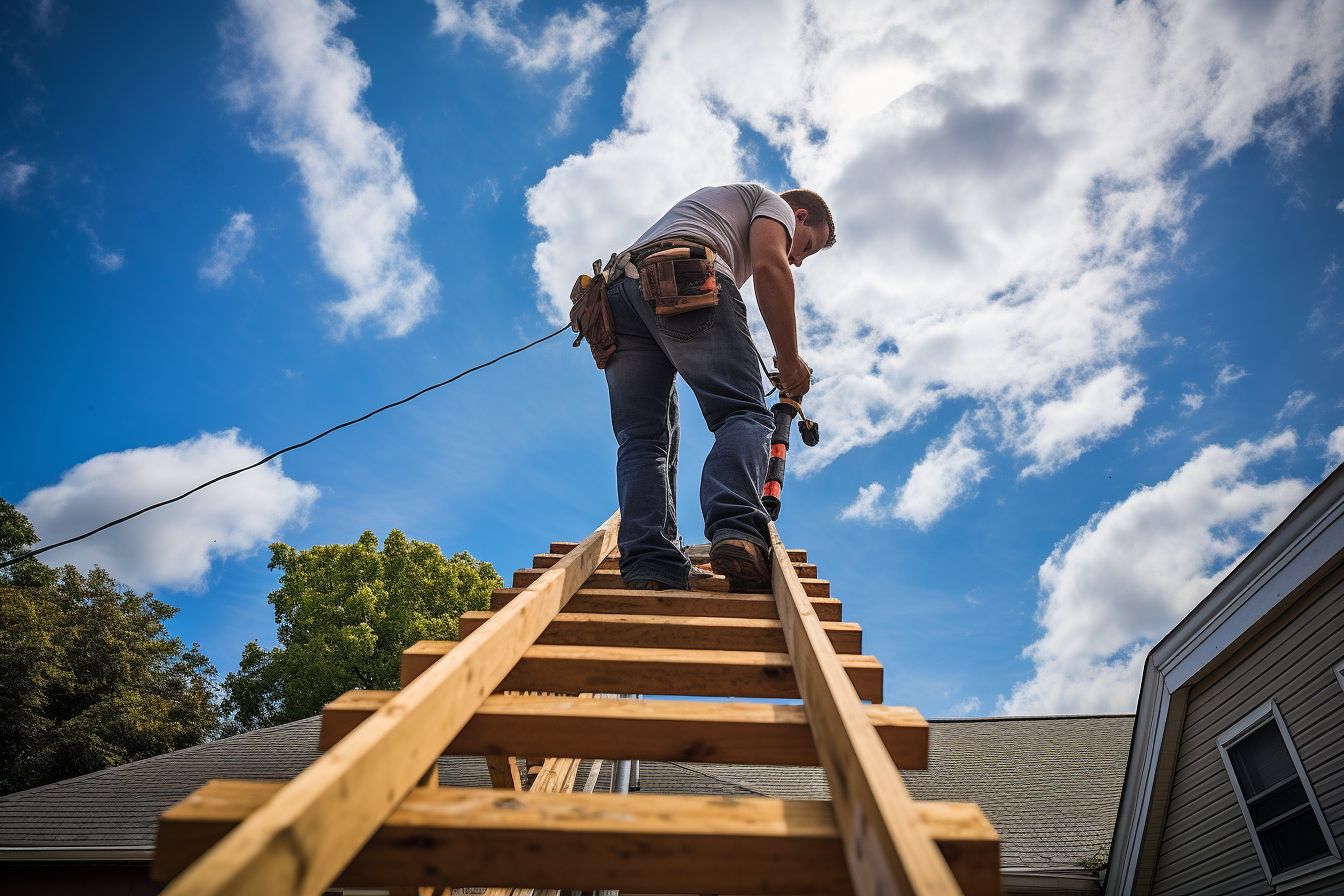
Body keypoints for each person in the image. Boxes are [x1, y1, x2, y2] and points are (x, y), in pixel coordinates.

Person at [602, 183, 835, 591]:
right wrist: (790, 362)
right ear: (799, 216)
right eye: (808, 247)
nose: (797, 259)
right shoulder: (776, 205)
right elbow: (770, 267)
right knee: (743, 413)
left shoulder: (721, 210)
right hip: (682, 274)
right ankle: (737, 528)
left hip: (617, 297)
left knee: (642, 439)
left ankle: (651, 564)